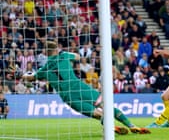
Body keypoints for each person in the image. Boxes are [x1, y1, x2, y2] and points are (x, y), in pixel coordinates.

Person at [22, 41, 150, 135]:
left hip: (68, 97)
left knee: (97, 114)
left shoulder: (44, 70)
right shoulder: (64, 56)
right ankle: (131, 125)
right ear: (56, 49)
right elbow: (78, 57)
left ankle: (110, 128)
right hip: (80, 87)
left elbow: (31, 78)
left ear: (46, 53)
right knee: (106, 106)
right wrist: (64, 52)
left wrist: (20, 74)